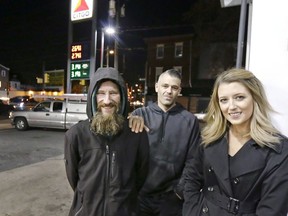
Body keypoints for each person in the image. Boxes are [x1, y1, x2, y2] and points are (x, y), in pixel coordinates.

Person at [183, 68, 288, 216]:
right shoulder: (211, 137)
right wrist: (192, 211)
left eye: (239, 97)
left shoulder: (278, 149)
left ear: (255, 98)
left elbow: (273, 209)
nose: (231, 107)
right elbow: (191, 178)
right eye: (224, 100)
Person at [64, 67, 150, 216]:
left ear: (122, 96)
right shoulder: (75, 134)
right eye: (101, 93)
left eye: (114, 93)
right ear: (92, 96)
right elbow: (74, 179)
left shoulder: (136, 134)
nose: (107, 101)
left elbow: (140, 177)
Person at [130, 69, 201, 216]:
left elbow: (193, 161)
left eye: (174, 88)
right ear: (156, 87)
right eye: (165, 86)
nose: (169, 91)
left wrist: (179, 193)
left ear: (179, 91)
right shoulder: (139, 115)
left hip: (171, 199)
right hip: (140, 197)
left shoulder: (190, 121)